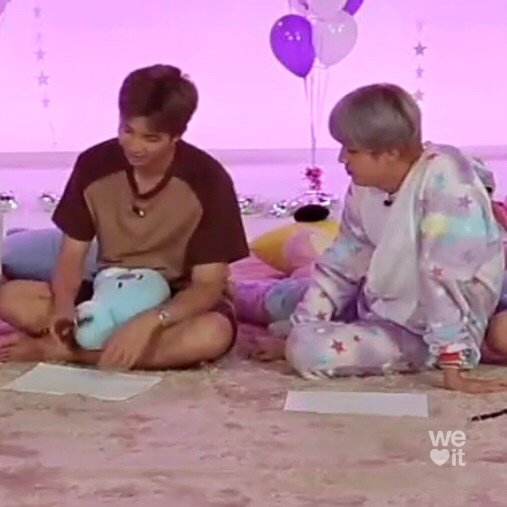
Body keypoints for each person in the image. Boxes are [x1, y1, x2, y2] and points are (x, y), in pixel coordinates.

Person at [0, 64, 249, 369]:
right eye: (127, 131)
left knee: (212, 334)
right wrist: (62, 312)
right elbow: (71, 256)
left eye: (150, 138)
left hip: (175, 300)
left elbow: (208, 285)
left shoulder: (209, 179)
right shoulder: (93, 165)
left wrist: (150, 322)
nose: (134, 147)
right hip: (107, 291)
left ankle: (70, 353)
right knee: (12, 299)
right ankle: (110, 346)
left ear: (177, 135)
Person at [263, 84, 507, 393]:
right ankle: (233, 294)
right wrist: (302, 326)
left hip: (424, 330)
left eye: (351, 150)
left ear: (390, 153)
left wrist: (453, 363)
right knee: (284, 300)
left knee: (309, 351)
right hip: (375, 300)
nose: (341, 158)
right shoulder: (364, 186)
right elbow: (343, 260)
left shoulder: (447, 183)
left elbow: (448, 278)